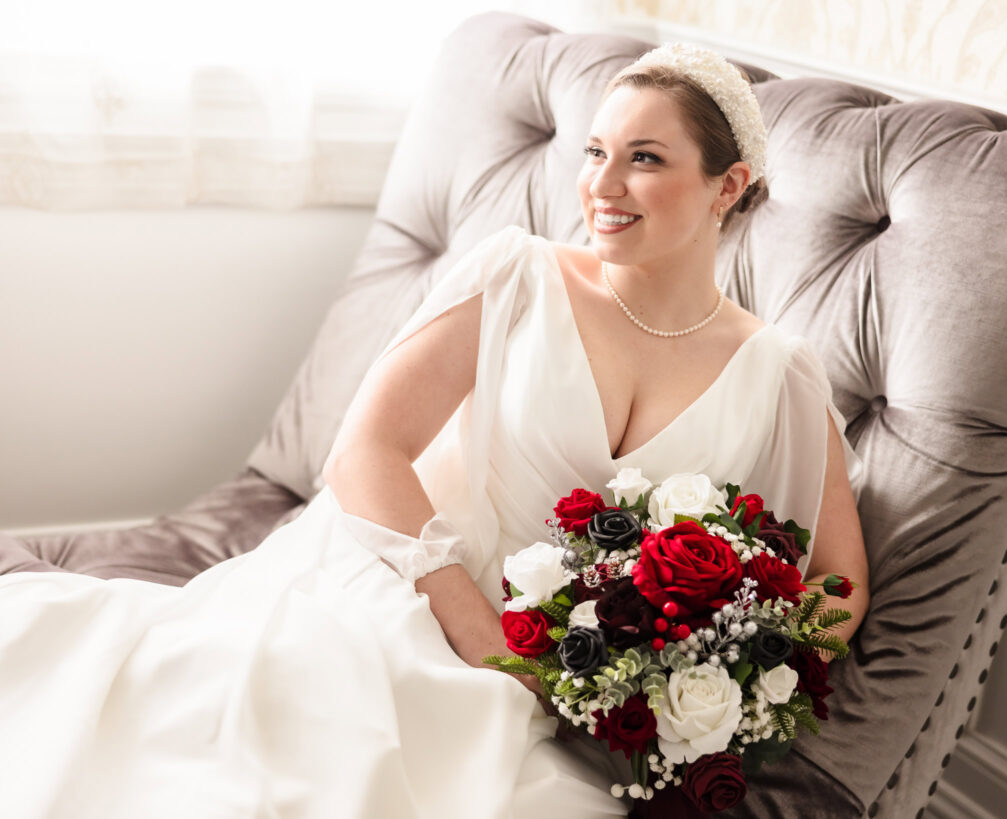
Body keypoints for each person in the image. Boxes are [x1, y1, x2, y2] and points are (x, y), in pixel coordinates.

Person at [0, 44, 868, 819]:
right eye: (596, 152)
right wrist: (484, 640)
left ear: (730, 183)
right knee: (264, 748)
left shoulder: (778, 372)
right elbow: (365, 452)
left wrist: (725, 667)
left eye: (645, 159)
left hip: (569, 681)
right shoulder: (519, 275)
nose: (602, 186)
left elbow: (837, 581)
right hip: (403, 582)